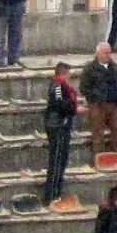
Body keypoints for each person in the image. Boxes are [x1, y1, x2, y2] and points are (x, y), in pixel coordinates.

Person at [79, 43, 117, 163]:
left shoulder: (114, 68)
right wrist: (93, 98)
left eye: (109, 53)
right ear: (98, 53)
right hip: (97, 105)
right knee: (98, 134)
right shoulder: (89, 68)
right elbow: (84, 87)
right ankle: (100, 159)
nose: (108, 55)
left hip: (113, 104)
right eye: (105, 53)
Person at [41, 61, 80, 204]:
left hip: (63, 125)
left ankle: (56, 192)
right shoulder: (57, 86)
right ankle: (51, 195)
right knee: (56, 161)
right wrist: (73, 108)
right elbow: (59, 104)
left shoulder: (62, 86)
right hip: (57, 125)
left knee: (61, 161)